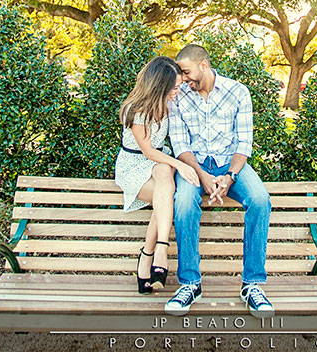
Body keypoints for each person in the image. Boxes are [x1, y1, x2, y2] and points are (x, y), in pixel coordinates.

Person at [163, 44, 274, 318]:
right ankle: (190, 284)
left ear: (203, 65)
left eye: (186, 72)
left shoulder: (238, 92)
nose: (183, 78)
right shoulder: (178, 98)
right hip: (195, 164)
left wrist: (229, 176)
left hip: (229, 163)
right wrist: (202, 175)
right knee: (185, 201)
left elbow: (244, 142)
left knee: (260, 199)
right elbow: (179, 144)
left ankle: (252, 285)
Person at [114, 56, 201, 294]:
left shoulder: (169, 103)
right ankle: (155, 251)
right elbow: (148, 150)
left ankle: (151, 254)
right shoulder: (135, 110)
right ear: (159, 86)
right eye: (173, 88)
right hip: (134, 165)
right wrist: (181, 166)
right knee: (167, 194)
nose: (177, 91)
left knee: (165, 179)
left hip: (160, 164)